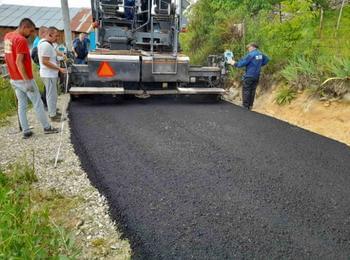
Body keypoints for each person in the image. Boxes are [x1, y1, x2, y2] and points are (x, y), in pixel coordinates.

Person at [4, 18, 59, 139]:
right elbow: (19, 62)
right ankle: (47, 127)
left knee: (22, 105)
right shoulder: (21, 40)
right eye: (31, 30)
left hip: (14, 79)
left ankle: (26, 130)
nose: (32, 34)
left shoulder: (8, 36)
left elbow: (8, 57)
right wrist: (26, 81)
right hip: (24, 79)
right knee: (38, 103)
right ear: (24, 27)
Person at [229, 43, 270, 110]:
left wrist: (233, 63)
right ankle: (250, 105)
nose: (248, 49)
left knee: (246, 90)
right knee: (253, 90)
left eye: (249, 48)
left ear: (253, 47)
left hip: (249, 75)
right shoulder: (260, 54)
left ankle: (245, 106)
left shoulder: (251, 55)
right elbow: (267, 60)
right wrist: (259, 65)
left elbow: (241, 64)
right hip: (256, 75)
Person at [38, 26, 66, 122]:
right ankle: (52, 115)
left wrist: (61, 54)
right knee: (51, 94)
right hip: (48, 74)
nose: (57, 38)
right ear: (49, 34)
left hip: (50, 74)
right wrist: (59, 68)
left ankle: (53, 111)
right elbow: (45, 61)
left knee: (53, 94)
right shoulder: (45, 45)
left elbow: (53, 51)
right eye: (56, 36)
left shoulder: (48, 44)